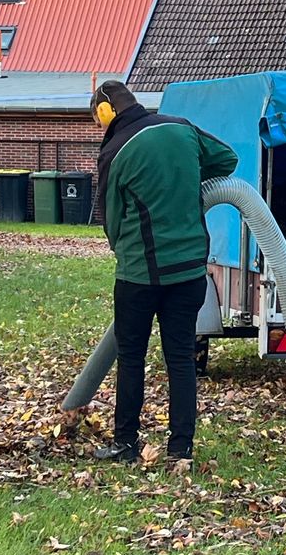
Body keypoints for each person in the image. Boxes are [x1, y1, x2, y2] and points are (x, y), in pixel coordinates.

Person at [90, 80, 238, 465]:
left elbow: (109, 218)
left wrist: (125, 251)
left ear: (106, 112)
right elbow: (226, 160)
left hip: (140, 275)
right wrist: (184, 181)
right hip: (190, 272)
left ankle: (126, 444)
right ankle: (180, 449)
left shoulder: (114, 151)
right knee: (180, 359)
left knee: (132, 358)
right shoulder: (182, 127)